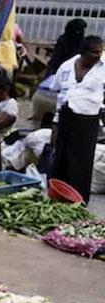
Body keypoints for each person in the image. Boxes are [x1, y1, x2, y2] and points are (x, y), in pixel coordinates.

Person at [50, 36, 105, 204]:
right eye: (94, 52)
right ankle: (58, 198)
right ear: (84, 51)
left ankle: (78, 202)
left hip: (87, 121)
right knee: (61, 159)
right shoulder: (67, 66)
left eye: (100, 52)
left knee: (81, 164)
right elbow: (57, 91)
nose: (98, 55)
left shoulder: (103, 69)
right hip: (66, 117)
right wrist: (56, 122)